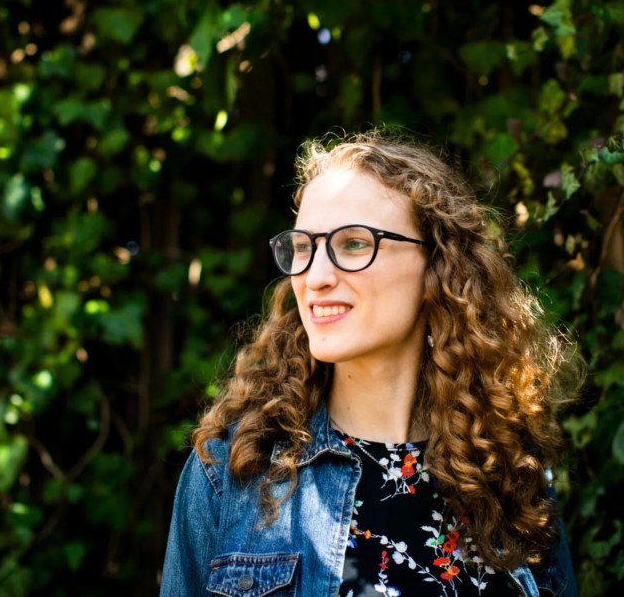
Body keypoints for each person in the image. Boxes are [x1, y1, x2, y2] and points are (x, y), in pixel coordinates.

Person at [160, 132, 579, 596]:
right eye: (304, 247)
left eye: (355, 243)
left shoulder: (506, 470)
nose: (315, 277)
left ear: (437, 265)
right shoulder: (233, 470)